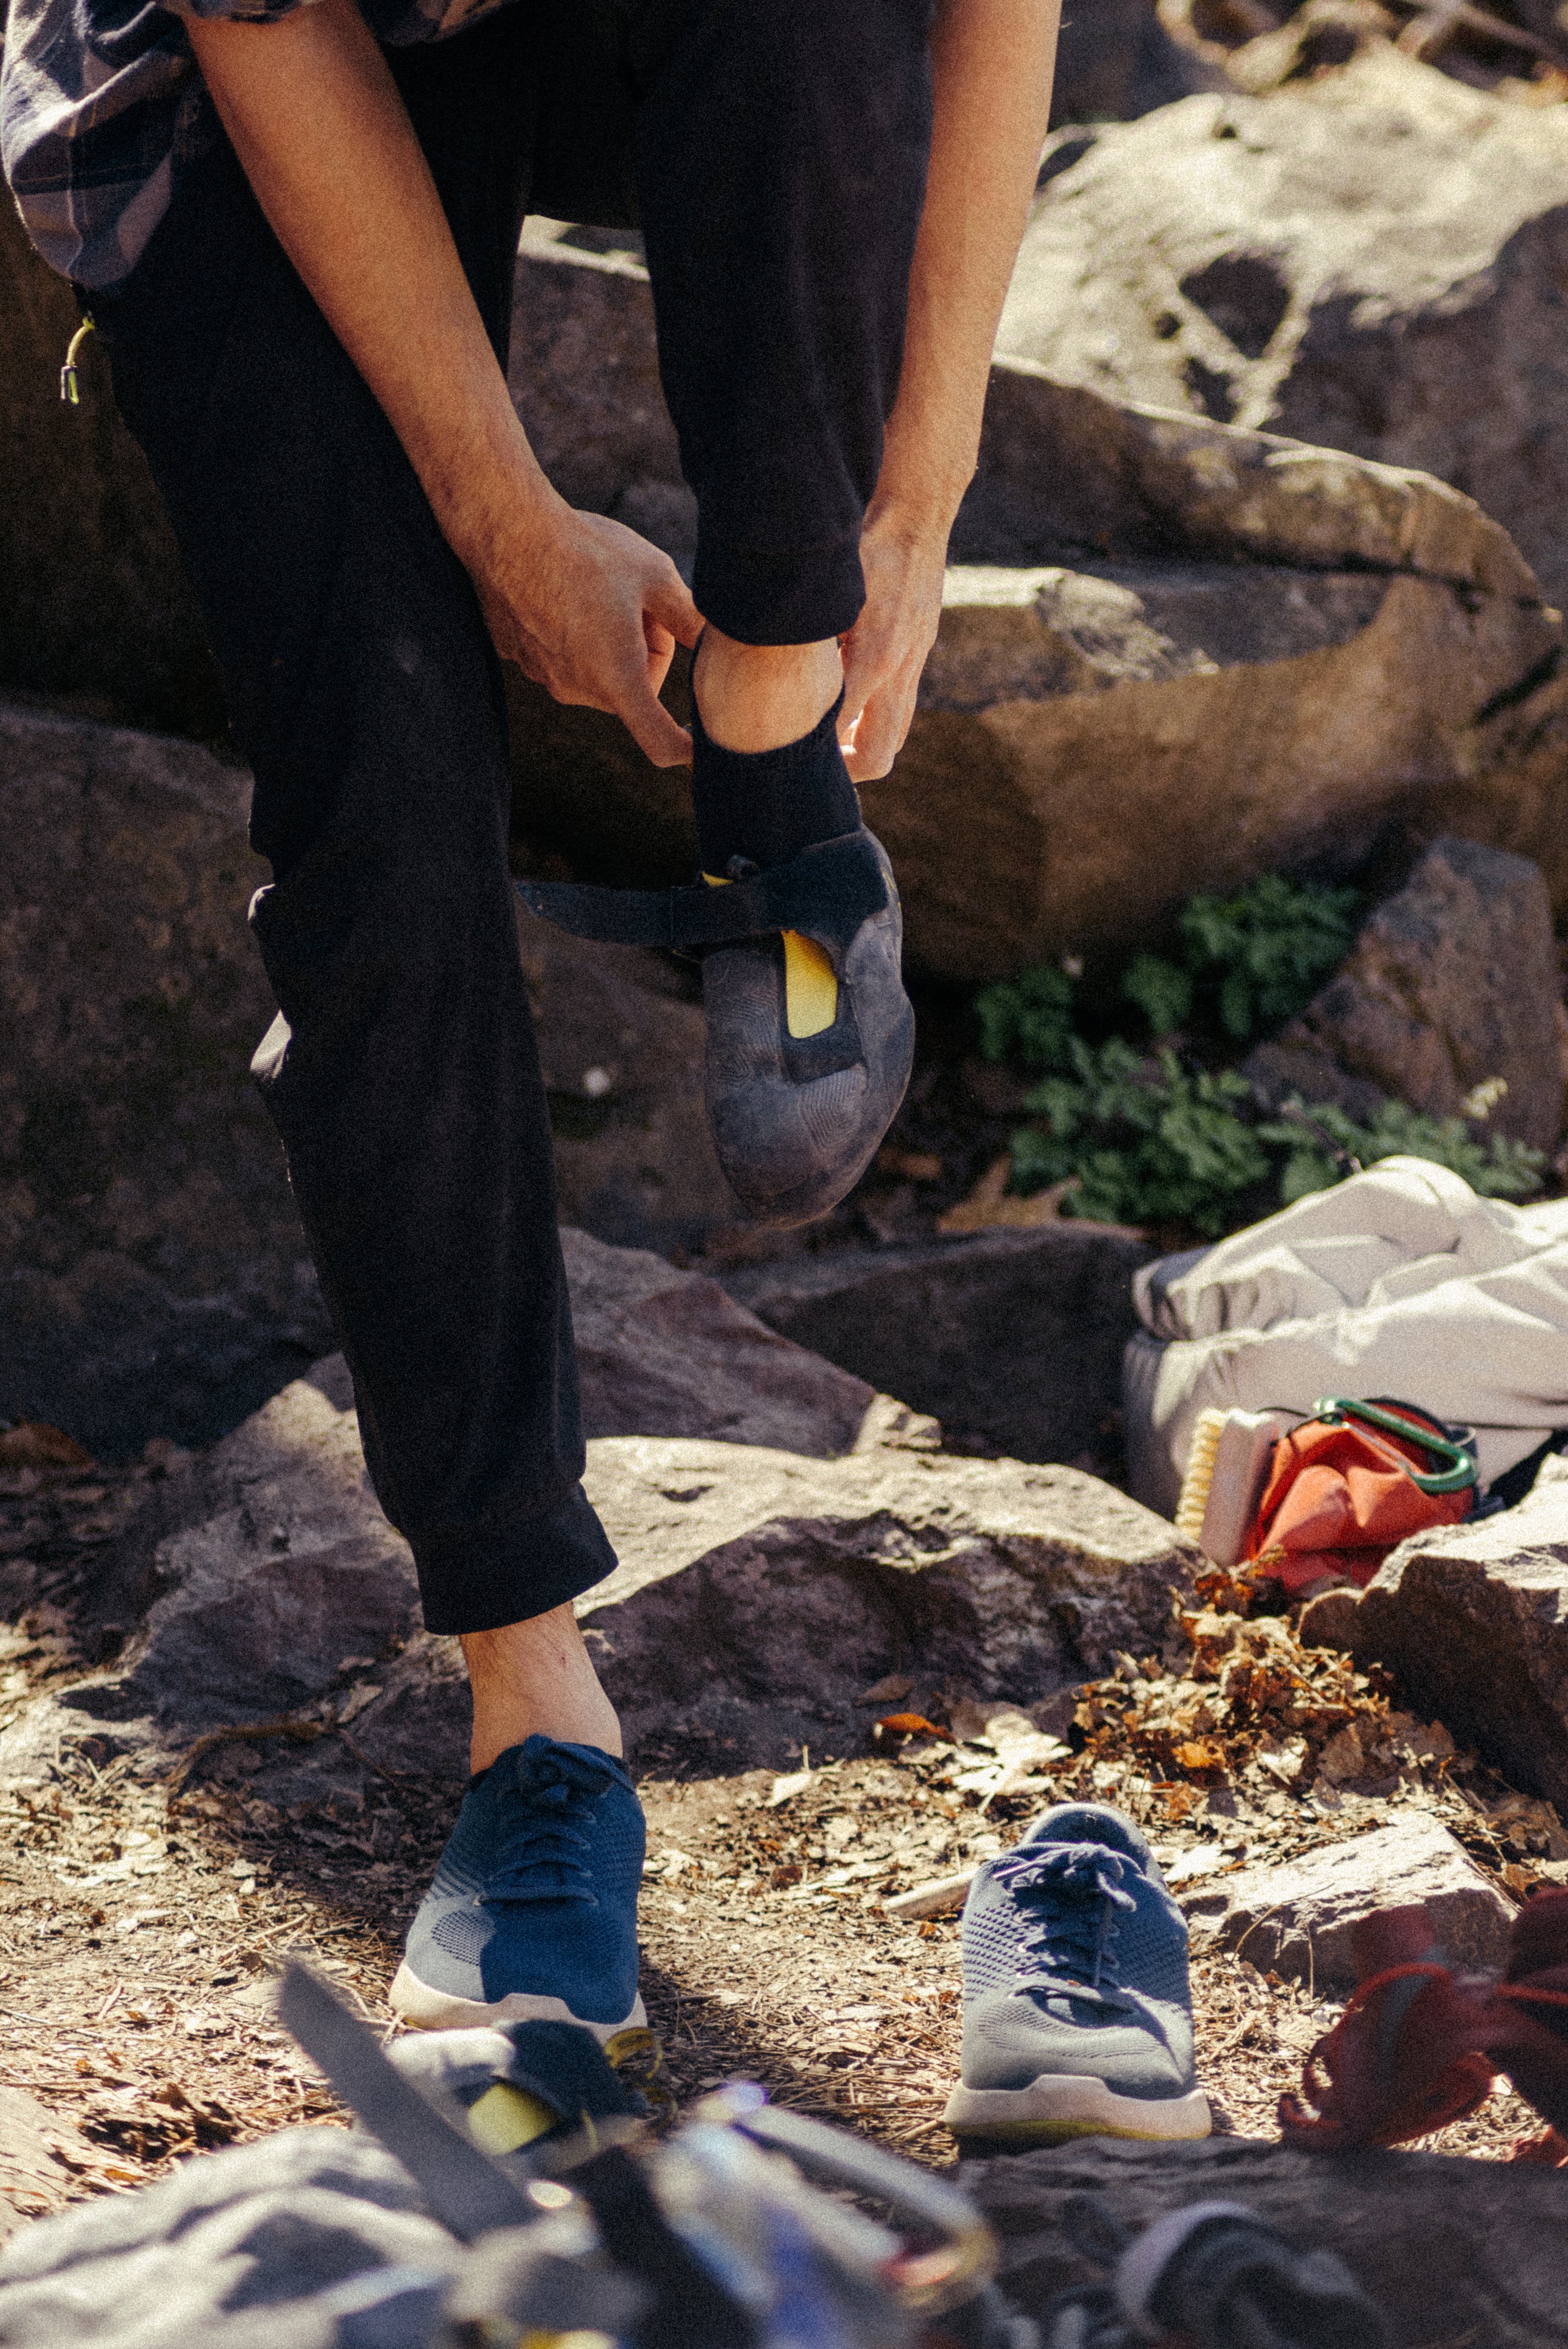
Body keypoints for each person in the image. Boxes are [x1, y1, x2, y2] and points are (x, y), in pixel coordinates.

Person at [2, 0, 1060, 2041]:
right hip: (242, 74)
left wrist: (897, 514)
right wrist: (498, 524)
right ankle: (533, 1718)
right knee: (384, 793)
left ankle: (771, 769)